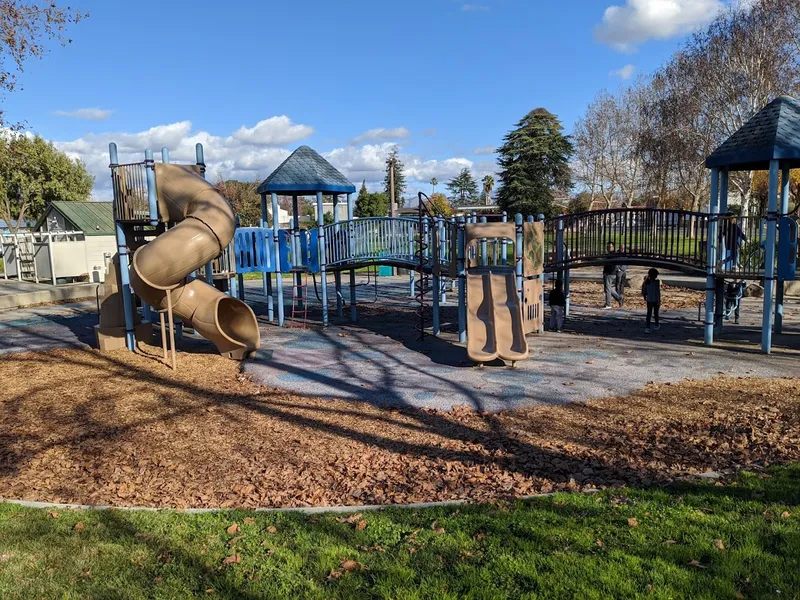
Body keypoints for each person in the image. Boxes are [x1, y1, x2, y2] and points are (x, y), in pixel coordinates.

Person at [641, 268, 661, 333]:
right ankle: (656, 324)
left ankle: (647, 327)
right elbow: (658, 292)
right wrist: (659, 300)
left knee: (649, 313)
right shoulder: (656, 282)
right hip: (655, 299)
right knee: (656, 313)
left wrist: (645, 297)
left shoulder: (646, 282)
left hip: (649, 299)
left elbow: (644, 291)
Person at [602, 242, 622, 309]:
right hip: (609, 273)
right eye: (608, 246)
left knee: (607, 289)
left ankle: (608, 304)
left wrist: (617, 269)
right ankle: (619, 298)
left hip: (610, 273)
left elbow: (615, 263)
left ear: (613, 247)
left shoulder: (612, 255)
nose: (608, 248)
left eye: (610, 246)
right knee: (608, 288)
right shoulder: (609, 254)